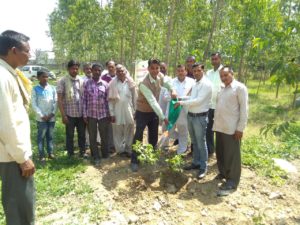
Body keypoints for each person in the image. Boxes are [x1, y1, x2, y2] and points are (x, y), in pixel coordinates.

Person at [0, 30, 35, 225]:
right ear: (13, 50)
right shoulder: (3, 77)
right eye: (27, 51)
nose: (29, 55)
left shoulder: (10, 74)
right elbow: (5, 124)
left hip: (12, 153)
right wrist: (22, 158)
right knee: (20, 208)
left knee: (20, 205)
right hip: (13, 157)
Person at [131, 58, 176, 172]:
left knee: (154, 135)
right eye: (152, 68)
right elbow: (153, 101)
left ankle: (151, 157)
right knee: (138, 135)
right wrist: (163, 117)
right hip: (142, 111)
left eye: (157, 68)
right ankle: (135, 160)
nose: (155, 71)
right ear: (148, 68)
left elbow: (166, 83)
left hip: (153, 112)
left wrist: (172, 90)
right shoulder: (143, 84)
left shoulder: (160, 76)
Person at [213, 66, 248, 196]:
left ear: (232, 74)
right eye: (221, 76)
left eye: (226, 75)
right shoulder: (222, 89)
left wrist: (240, 128)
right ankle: (223, 173)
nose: (223, 78)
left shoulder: (239, 88)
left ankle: (232, 180)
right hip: (220, 127)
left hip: (232, 129)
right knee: (221, 153)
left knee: (232, 156)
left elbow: (244, 110)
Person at [175, 63, 212, 179]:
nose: (196, 73)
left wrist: (181, 103)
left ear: (203, 71)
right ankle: (196, 162)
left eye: (198, 71)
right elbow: (191, 98)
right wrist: (180, 98)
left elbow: (198, 101)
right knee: (194, 141)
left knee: (201, 142)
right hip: (191, 116)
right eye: (194, 71)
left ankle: (203, 166)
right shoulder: (196, 83)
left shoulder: (206, 84)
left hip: (200, 117)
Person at [57, 60, 87, 158]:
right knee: (69, 135)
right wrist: (63, 115)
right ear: (68, 69)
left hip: (81, 113)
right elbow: (60, 99)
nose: (75, 70)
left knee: (82, 134)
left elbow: (84, 97)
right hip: (69, 114)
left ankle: (82, 151)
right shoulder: (62, 81)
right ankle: (70, 153)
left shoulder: (81, 80)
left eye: (76, 68)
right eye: (72, 68)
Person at [83, 63, 110, 166]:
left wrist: (108, 114)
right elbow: (84, 100)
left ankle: (105, 154)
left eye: (99, 70)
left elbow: (107, 101)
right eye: (95, 70)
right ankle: (95, 156)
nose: (97, 72)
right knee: (92, 137)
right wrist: (84, 114)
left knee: (104, 136)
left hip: (103, 114)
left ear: (101, 71)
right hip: (91, 115)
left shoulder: (105, 84)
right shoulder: (86, 84)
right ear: (92, 71)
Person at [108, 64, 136, 157]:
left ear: (125, 71)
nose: (120, 72)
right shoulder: (112, 83)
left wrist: (136, 111)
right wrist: (111, 113)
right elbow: (111, 101)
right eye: (118, 71)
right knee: (117, 131)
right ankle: (120, 151)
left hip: (129, 110)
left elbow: (135, 98)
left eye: (122, 70)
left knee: (130, 129)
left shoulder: (130, 82)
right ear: (116, 72)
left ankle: (129, 150)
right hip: (117, 111)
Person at [32, 70, 57, 162]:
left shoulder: (52, 88)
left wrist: (52, 114)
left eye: (47, 76)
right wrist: (41, 115)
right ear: (38, 78)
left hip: (51, 117)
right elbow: (34, 104)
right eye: (43, 76)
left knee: (50, 136)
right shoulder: (35, 89)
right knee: (41, 136)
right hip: (41, 118)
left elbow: (56, 102)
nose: (46, 78)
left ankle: (50, 153)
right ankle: (41, 155)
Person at [169, 65, 195, 154]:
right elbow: (166, 94)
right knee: (168, 129)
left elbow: (193, 96)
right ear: (176, 72)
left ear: (186, 72)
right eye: (179, 71)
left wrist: (181, 99)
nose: (181, 72)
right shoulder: (171, 82)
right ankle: (181, 138)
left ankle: (181, 151)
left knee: (183, 129)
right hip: (173, 109)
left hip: (185, 109)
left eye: (182, 70)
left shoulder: (192, 82)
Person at [206, 52, 223, 157]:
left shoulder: (224, 71)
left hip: (220, 106)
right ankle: (210, 149)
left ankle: (220, 152)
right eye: (212, 59)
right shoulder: (208, 73)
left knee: (220, 130)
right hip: (209, 105)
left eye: (216, 59)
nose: (214, 61)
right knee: (208, 129)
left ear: (220, 59)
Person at [101, 60, 116, 153]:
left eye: (112, 66)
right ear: (107, 68)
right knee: (109, 127)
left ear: (115, 67)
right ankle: (111, 146)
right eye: (109, 67)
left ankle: (120, 145)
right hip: (107, 106)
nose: (111, 68)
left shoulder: (120, 76)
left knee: (118, 126)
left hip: (118, 105)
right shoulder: (103, 78)